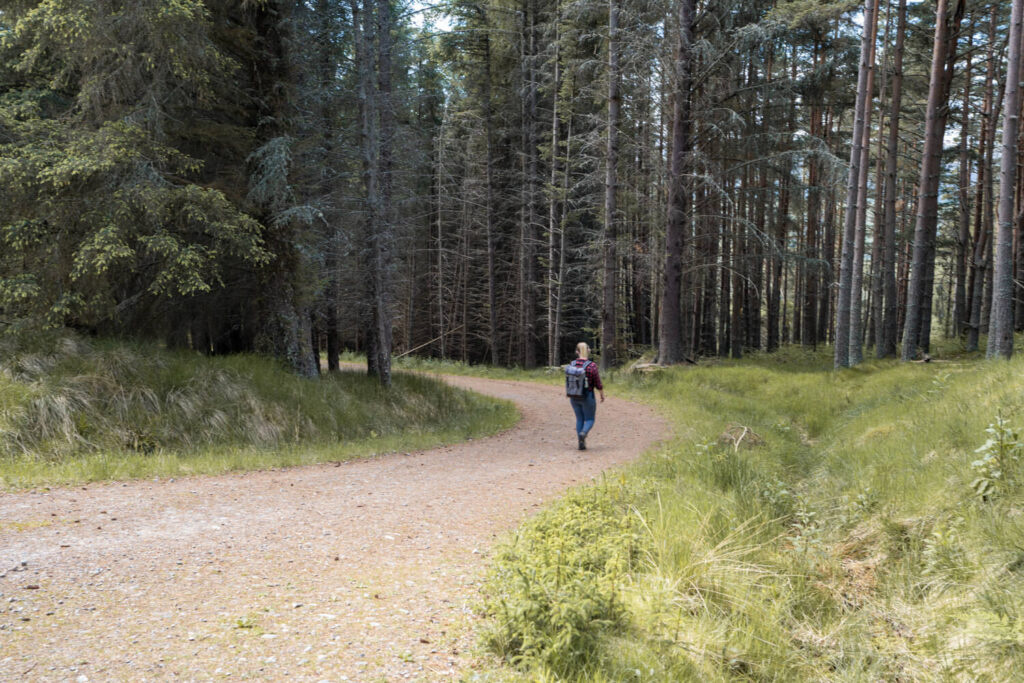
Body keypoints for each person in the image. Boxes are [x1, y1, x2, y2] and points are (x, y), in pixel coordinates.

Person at [567, 341, 604, 450]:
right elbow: (598, 383)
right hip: (587, 396)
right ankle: (584, 433)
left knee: (579, 419)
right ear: (588, 350)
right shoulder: (591, 366)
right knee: (589, 419)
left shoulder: (572, 364)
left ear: (577, 352)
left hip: (573, 396)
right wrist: (601, 394)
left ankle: (580, 442)